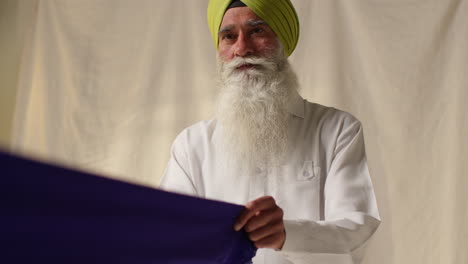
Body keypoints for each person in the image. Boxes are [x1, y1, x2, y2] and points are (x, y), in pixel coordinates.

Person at [160, 0, 380, 263]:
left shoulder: (337, 129)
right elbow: (171, 231)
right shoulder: (191, 145)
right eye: (229, 36)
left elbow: (356, 224)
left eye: (257, 31)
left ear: (282, 42)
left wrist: (287, 233)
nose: (242, 48)